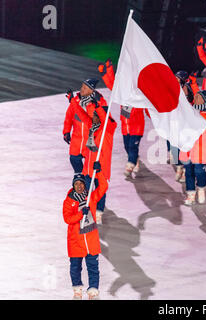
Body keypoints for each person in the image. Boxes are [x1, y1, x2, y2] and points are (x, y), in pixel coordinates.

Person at [71, 82, 117, 223]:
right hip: (89, 167)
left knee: (100, 191)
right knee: (89, 190)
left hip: (100, 167)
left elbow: (104, 116)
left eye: (96, 114)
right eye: (93, 114)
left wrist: (98, 106)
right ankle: (89, 209)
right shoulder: (93, 126)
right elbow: (80, 113)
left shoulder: (108, 129)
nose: (94, 116)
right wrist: (72, 101)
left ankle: (99, 212)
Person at [62, 162, 107, 300]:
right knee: (75, 267)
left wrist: (98, 172)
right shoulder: (69, 201)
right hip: (76, 241)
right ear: (73, 186)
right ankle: (77, 288)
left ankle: (93, 290)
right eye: (77, 184)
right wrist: (81, 213)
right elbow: (67, 218)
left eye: (81, 183)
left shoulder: (91, 197)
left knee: (93, 267)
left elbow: (104, 186)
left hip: (91, 240)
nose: (80, 186)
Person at [98, 59, 146, 178]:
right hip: (126, 128)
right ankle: (134, 159)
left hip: (137, 127)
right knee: (127, 146)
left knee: (133, 146)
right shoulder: (123, 92)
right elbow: (112, 85)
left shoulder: (138, 94)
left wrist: (127, 109)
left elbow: (136, 110)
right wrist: (106, 71)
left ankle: (130, 166)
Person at [180, 90, 206, 205]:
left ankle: (201, 188)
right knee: (189, 172)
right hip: (188, 148)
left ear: (205, 100)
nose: (196, 98)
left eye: (199, 97)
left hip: (201, 149)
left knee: (199, 171)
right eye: (196, 96)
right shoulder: (189, 111)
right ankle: (191, 194)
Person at [62, 79, 102, 174]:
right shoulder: (75, 101)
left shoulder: (97, 103)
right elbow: (68, 117)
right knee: (74, 160)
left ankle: (92, 185)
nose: (82, 90)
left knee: (92, 171)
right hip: (77, 140)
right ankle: (80, 180)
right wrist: (66, 132)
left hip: (91, 141)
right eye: (82, 87)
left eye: (85, 88)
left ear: (92, 91)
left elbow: (96, 120)